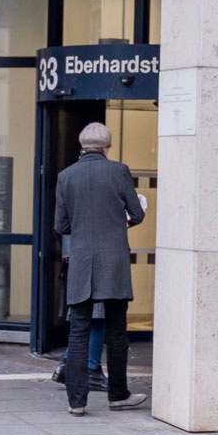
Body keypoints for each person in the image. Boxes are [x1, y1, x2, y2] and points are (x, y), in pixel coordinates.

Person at [53, 122, 148, 416]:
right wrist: (119, 221)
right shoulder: (118, 171)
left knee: (78, 333)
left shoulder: (66, 176)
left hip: (81, 263)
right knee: (116, 332)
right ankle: (117, 396)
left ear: (82, 146)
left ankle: (76, 402)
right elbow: (137, 214)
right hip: (113, 264)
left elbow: (61, 225)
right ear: (107, 147)